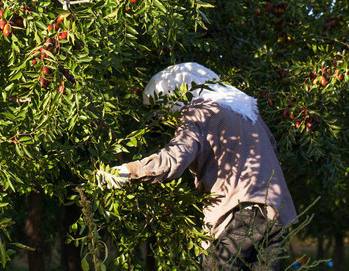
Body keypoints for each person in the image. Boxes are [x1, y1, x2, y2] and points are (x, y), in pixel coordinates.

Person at [102, 62, 298, 270]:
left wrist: (131, 171)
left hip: (241, 211)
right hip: (277, 213)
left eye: (161, 108)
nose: (165, 117)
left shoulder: (199, 111)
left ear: (174, 94)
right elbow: (272, 148)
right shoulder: (247, 111)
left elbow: (175, 157)